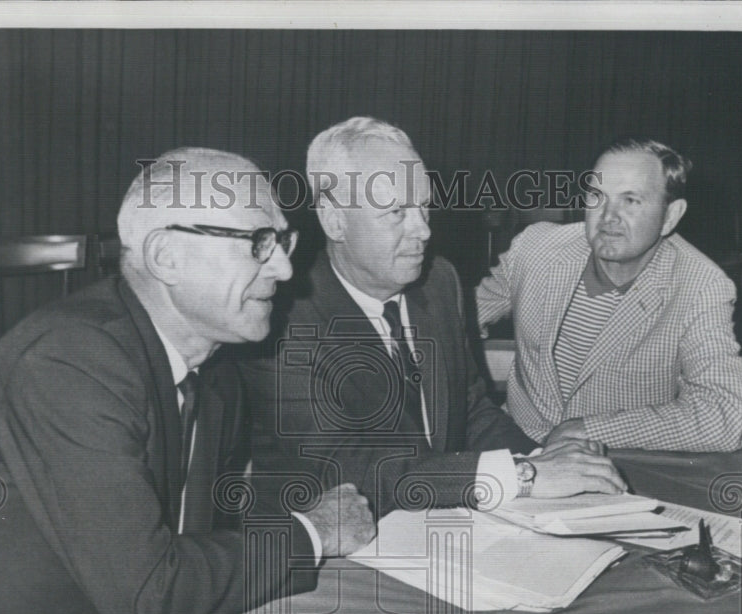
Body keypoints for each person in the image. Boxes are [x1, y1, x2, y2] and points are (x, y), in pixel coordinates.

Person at [0, 147, 376, 614]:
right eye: (259, 242)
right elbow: (152, 596)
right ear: (166, 256)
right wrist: (314, 532)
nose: (284, 269)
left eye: (283, 240)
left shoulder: (214, 372)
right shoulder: (69, 364)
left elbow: (208, 543)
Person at [237, 117, 625, 520]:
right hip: (327, 555)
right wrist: (523, 475)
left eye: (424, 208)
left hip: (443, 520)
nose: (422, 230)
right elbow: (349, 469)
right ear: (335, 220)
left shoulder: (438, 282)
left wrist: (544, 456)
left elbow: (471, 409)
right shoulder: (280, 317)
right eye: (396, 213)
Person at [476, 138, 742, 452]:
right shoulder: (535, 249)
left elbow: (724, 419)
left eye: (631, 200)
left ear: (671, 216)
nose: (608, 216)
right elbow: (452, 319)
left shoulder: (700, 285)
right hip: (514, 452)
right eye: (597, 196)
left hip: (614, 468)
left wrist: (588, 429)